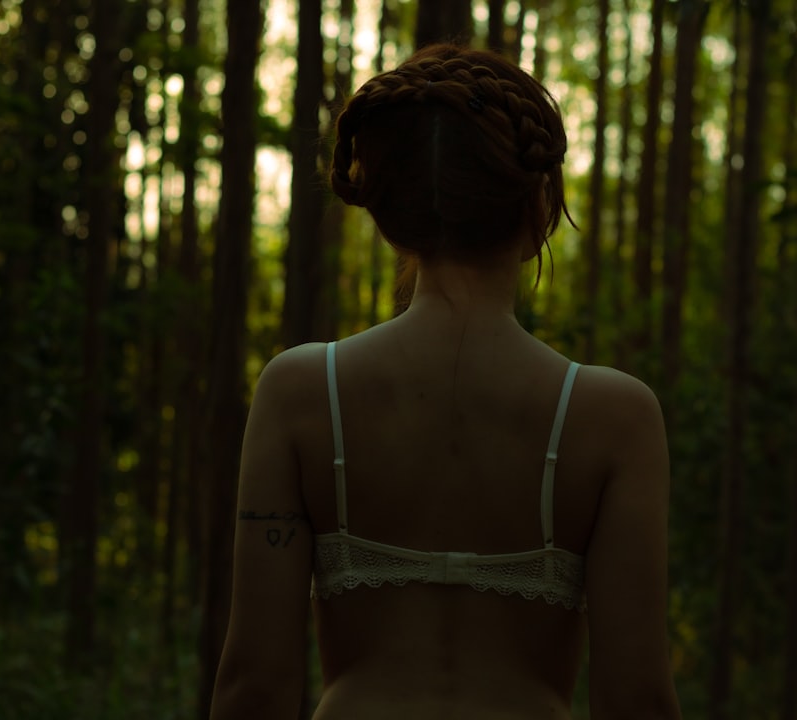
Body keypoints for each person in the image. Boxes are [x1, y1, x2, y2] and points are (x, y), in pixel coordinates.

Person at [210, 44, 681, 720]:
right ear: (539, 207)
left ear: (388, 213)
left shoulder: (301, 393)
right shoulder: (614, 416)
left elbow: (254, 686)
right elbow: (636, 699)